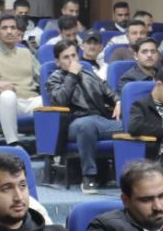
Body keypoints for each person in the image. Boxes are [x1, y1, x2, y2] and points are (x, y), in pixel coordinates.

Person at [47, 38, 122, 193]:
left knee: (133, 125)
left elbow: (108, 92)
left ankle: (130, 175)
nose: (72, 60)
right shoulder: (54, 78)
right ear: (57, 62)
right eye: (66, 57)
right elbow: (60, 101)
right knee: (87, 125)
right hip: (74, 122)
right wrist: (72, 76)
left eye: (74, 55)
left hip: (100, 120)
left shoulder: (89, 74)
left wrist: (118, 101)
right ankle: (89, 177)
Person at [0, 14, 40, 145]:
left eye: (13, 28)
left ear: (17, 32)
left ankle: (49, 150)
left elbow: (40, 75)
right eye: (4, 28)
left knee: (49, 101)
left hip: (31, 99)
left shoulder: (26, 52)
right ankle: (13, 143)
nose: (9, 31)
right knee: (8, 96)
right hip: (8, 102)